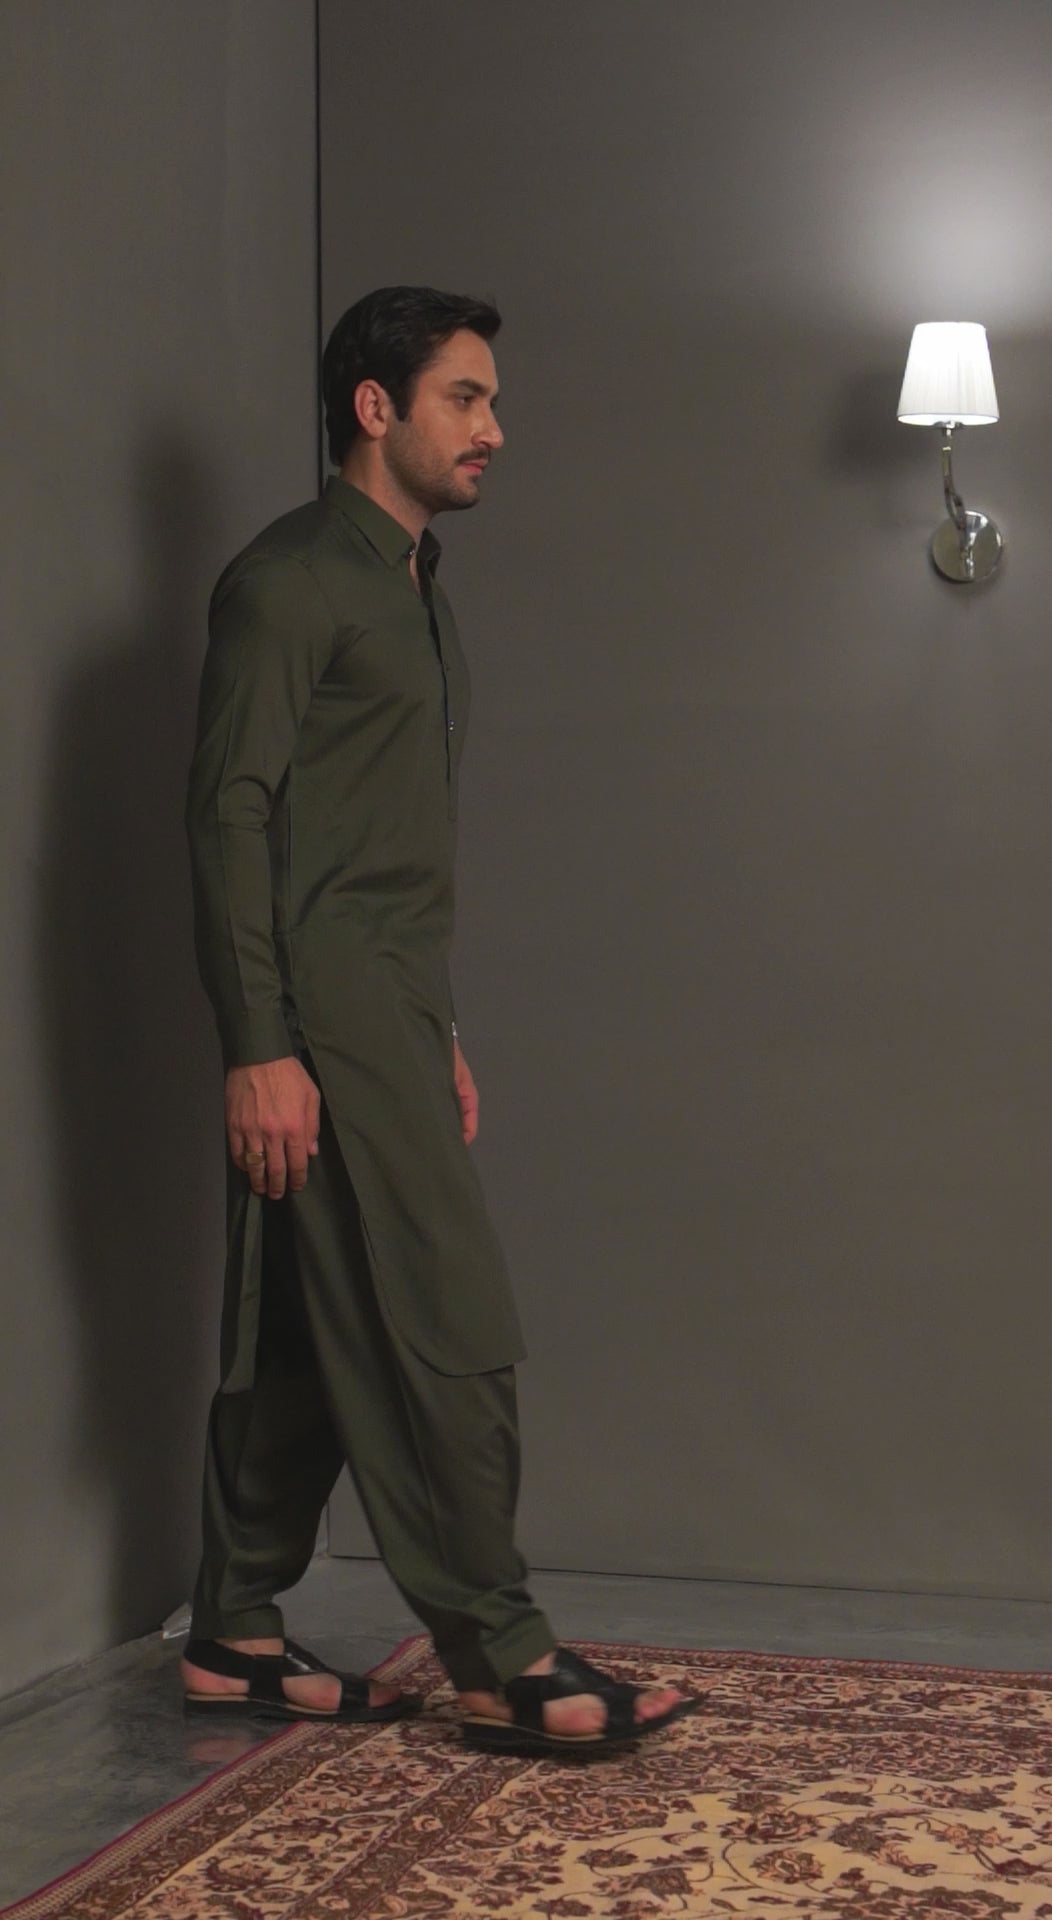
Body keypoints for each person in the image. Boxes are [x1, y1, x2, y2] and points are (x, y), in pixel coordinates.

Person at [180, 286, 694, 1755]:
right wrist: (260, 1043)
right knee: (443, 1321)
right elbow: (230, 815)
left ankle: (232, 1630)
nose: (493, 429)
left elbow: (378, 837)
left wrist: (439, 1023)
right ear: (375, 408)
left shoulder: (414, 584)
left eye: (490, 401)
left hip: (391, 1008)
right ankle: (500, 1656)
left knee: (302, 1325)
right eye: (465, 398)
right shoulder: (290, 582)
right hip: (323, 1017)